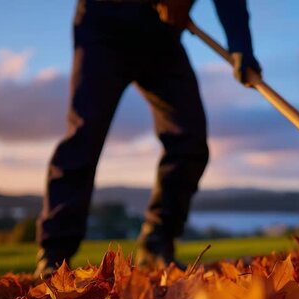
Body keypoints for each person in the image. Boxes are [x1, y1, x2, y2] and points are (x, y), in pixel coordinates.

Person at [34, 0, 261, 276]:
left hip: (162, 37)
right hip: (104, 24)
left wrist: (242, 47)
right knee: (85, 133)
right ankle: (54, 254)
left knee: (189, 138)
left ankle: (157, 243)